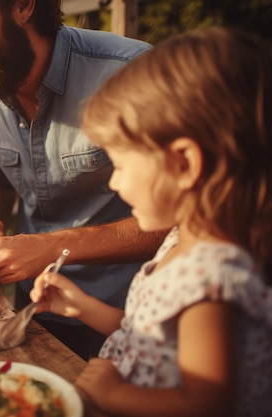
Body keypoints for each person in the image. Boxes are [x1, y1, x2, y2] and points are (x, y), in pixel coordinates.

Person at [30, 27, 272, 416]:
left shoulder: (212, 280)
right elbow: (155, 342)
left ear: (184, 164)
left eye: (121, 165)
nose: (113, 180)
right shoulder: (183, 238)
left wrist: (113, 396)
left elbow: (206, 404)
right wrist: (82, 307)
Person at [0, 0, 167, 359]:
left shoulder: (132, 74)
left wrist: (53, 247)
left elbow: (187, 223)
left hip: (133, 314)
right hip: (33, 308)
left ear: (23, 6)